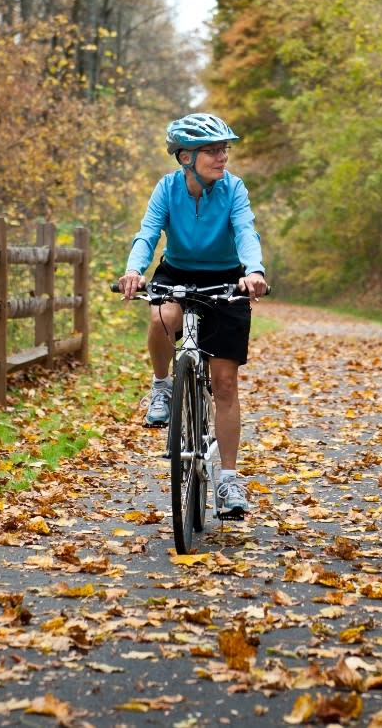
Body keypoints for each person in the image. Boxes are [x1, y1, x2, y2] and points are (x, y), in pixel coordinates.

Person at [119, 112, 269, 519]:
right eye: (212, 150)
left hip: (228, 279)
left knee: (223, 382)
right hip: (178, 271)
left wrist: (254, 271)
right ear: (185, 157)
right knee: (160, 318)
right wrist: (134, 269)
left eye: (224, 149)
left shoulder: (233, 188)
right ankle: (163, 385)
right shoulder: (167, 190)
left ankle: (229, 480)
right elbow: (148, 233)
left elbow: (245, 232)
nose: (222, 157)